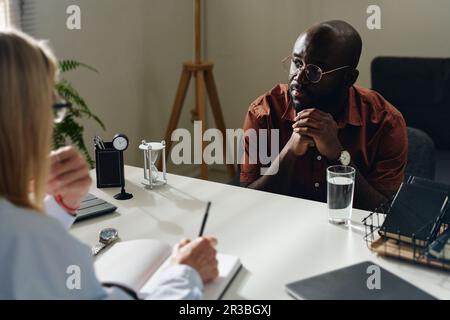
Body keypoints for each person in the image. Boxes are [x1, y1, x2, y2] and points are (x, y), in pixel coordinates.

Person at [0, 29, 218, 299]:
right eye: (52, 108)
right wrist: (186, 272)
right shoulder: (31, 242)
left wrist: (60, 206)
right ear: (26, 122)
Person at [240, 20, 408, 211]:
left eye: (315, 71)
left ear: (349, 78)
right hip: (281, 229)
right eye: (297, 63)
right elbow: (249, 202)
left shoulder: (386, 122)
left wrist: (338, 154)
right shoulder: (264, 113)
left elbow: (385, 210)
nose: (299, 78)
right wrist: (290, 152)